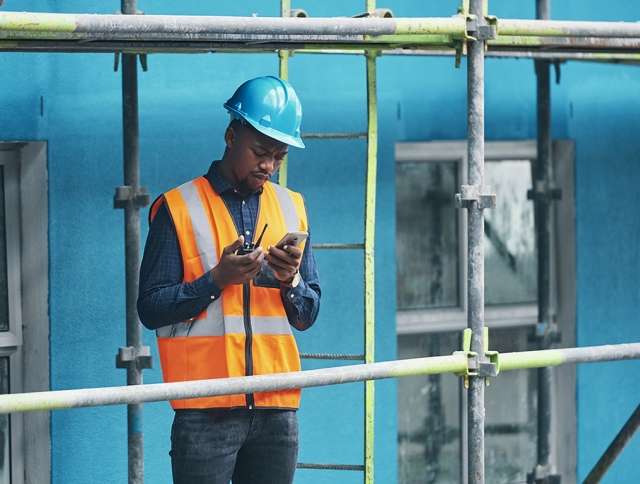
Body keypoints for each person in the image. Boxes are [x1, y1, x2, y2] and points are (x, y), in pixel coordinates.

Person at [137, 75, 321, 484]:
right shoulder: (177, 208)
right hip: (205, 411)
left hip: (277, 407)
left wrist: (290, 280)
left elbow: (308, 314)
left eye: (280, 156)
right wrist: (216, 279)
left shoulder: (293, 207)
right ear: (230, 134)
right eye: (260, 151)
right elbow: (150, 308)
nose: (268, 166)